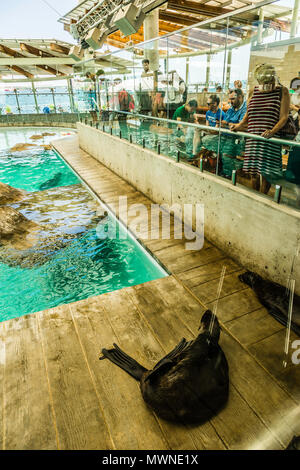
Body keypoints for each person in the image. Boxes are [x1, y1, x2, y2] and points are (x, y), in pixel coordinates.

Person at [230, 63, 290, 194]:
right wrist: (239, 126)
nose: (267, 84)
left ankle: (263, 197)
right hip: (253, 138)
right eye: (264, 82)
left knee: (267, 173)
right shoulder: (254, 91)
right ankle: (255, 195)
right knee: (253, 173)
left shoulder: (282, 91)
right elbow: (248, 114)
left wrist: (272, 131)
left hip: (270, 139)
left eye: (270, 81)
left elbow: (284, 117)